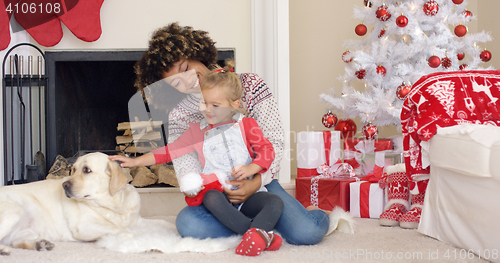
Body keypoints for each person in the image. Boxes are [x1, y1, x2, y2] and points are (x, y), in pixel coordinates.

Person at [113, 22, 349, 245]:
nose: (188, 81)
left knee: (307, 232)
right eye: (176, 83)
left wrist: (255, 182)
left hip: (261, 184)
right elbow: (183, 165)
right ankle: (261, 229)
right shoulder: (180, 114)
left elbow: (273, 144)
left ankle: (304, 217)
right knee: (188, 224)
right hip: (217, 194)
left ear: (197, 53)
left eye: (186, 68)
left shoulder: (251, 85)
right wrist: (210, 186)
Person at [111, 64, 284, 256]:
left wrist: (252, 168)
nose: (207, 110)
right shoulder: (197, 131)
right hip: (221, 197)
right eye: (204, 103)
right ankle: (257, 234)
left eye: (215, 105)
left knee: (275, 203)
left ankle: (255, 235)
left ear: (234, 104)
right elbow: (170, 151)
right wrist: (135, 162)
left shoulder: (247, 125)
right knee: (210, 197)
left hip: (250, 194)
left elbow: (267, 150)